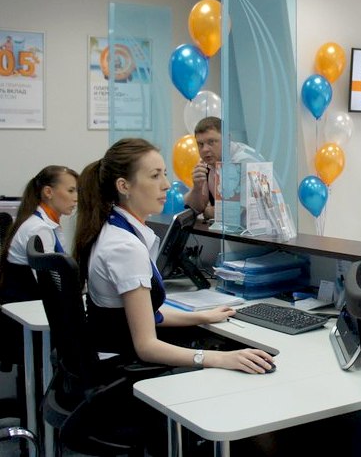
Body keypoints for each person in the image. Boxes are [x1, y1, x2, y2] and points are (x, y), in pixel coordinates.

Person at [74, 138, 274, 373]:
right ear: (124, 186)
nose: (166, 185)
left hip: (115, 356)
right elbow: (147, 347)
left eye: (165, 174)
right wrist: (220, 358)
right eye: (155, 176)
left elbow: (148, 316)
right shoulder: (125, 248)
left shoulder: (115, 230)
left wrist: (202, 317)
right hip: (120, 367)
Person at [0, 165, 78, 303]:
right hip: (25, 305)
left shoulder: (43, 222)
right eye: (71, 191)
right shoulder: (39, 228)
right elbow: (51, 283)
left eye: (77, 191)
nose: (76, 198)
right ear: (48, 192)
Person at [184, 116, 262, 219]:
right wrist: (197, 188)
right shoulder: (208, 163)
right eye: (200, 144)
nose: (205, 149)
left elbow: (237, 212)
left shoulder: (246, 161)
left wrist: (208, 212)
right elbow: (196, 208)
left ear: (227, 139)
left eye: (211, 142)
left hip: (263, 228)